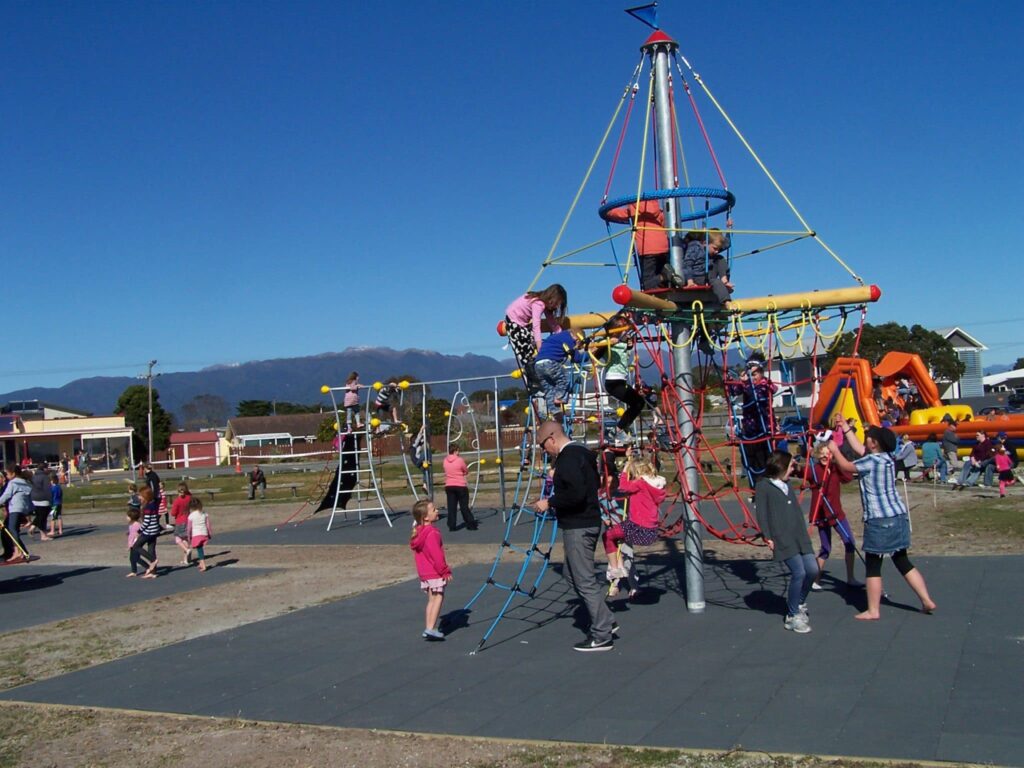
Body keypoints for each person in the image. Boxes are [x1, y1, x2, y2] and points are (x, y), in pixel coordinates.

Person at [826, 417, 936, 620]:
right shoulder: (887, 458)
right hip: (898, 515)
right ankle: (926, 599)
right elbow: (860, 450)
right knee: (902, 560)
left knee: (873, 565)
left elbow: (847, 466)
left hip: (879, 519)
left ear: (874, 443)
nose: (866, 437)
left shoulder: (870, 461)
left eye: (869, 436)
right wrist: (845, 428)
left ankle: (873, 610)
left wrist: (834, 450)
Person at [533, 421, 616, 651]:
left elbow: (576, 494)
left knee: (584, 580)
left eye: (543, 445)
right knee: (571, 574)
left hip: (579, 525)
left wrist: (548, 502)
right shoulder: (582, 453)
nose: (544, 451)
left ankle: (602, 634)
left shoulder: (568, 459)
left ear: (552, 438)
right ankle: (605, 618)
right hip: (585, 521)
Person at [755, 450, 818, 634]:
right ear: (781, 466)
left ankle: (799, 602)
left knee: (812, 569)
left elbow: (796, 511)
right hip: (782, 536)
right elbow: (762, 514)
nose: (793, 469)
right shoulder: (764, 486)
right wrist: (767, 536)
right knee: (798, 572)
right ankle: (792, 615)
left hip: (799, 534)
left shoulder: (786, 484)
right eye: (790, 466)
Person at [603, 450, 664, 599]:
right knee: (619, 540)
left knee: (608, 536)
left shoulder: (640, 483)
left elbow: (623, 486)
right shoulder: (656, 484)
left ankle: (616, 570)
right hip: (650, 532)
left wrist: (625, 469)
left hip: (636, 527)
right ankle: (619, 574)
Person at [805, 443, 862, 589]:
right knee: (826, 548)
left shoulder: (836, 469)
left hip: (836, 513)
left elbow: (848, 477)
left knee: (850, 543)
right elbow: (802, 473)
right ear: (817, 455)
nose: (825, 456)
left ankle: (851, 577)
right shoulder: (814, 469)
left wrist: (838, 459)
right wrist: (805, 455)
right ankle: (814, 579)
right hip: (821, 514)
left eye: (828, 453)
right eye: (822, 453)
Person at [504, 284, 568, 394]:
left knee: (533, 349)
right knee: (527, 353)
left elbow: (553, 324)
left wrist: (562, 337)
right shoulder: (538, 303)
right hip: (513, 322)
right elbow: (536, 326)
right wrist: (540, 348)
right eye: (557, 303)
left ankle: (537, 378)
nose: (557, 307)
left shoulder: (545, 305)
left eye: (559, 305)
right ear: (551, 298)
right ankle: (533, 382)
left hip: (522, 324)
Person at [727, 357, 779, 486]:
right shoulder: (748, 385)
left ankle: (766, 487)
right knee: (749, 461)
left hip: (763, 431)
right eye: (750, 374)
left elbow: (756, 397)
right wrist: (730, 380)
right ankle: (755, 488)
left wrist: (746, 383)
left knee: (764, 462)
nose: (752, 377)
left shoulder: (765, 385)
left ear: (761, 373)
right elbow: (734, 391)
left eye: (754, 374)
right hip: (749, 432)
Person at [409, 499, 452, 641]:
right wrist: (444, 570)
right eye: (434, 510)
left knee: (431, 599)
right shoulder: (432, 533)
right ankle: (431, 628)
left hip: (425, 572)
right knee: (438, 597)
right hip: (434, 571)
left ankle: (428, 626)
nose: (437, 510)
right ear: (425, 517)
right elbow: (437, 556)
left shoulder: (419, 532)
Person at [604, 199, 669, 290]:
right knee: (660, 275)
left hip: (647, 249)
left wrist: (605, 208)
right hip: (663, 247)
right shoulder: (659, 211)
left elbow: (616, 214)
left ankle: (664, 277)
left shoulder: (634, 209)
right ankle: (665, 279)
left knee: (647, 283)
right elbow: (666, 224)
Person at [599, 335, 645, 446]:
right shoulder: (609, 344)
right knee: (638, 402)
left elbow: (625, 358)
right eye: (626, 334)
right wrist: (609, 342)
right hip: (613, 382)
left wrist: (629, 347)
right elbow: (596, 349)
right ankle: (619, 430)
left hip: (621, 381)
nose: (629, 336)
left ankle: (621, 427)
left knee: (640, 402)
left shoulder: (624, 346)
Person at [533, 329, 585, 419]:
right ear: (577, 338)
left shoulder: (555, 337)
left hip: (537, 365)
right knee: (564, 379)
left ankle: (555, 412)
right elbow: (576, 358)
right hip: (550, 363)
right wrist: (588, 354)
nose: (578, 347)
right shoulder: (569, 339)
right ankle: (560, 397)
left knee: (549, 389)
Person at [681, 229, 733, 307]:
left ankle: (724, 280)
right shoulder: (694, 249)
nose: (717, 251)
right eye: (715, 248)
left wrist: (729, 229)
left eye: (718, 249)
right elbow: (687, 265)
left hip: (705, 275)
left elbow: (727, 244)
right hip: (696, 277)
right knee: (716, 282)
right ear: (705, 243)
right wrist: (690, 281)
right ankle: (727, 302)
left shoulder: (709, 248)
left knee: (720, 258)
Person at [0, 464, 32, 562]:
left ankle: (18, 552)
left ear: (13, 474)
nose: (6, 476)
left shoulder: (13, 483)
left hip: (16, 508)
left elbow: (6, 495)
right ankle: (20, 551)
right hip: (24, 508)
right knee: (8, 529)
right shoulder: (24, 482)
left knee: (11, 530)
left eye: (7, 474)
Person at [443, 444, 477, 531]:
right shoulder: (459, 460)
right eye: (458, 451)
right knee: (464, 506)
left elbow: (446, 471)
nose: (459, 453)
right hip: (460, 485)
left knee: (451, 507)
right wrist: (464, 473)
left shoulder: (445, 460)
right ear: (455, 451)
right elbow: (465, 470)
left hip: (449, 485)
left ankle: (452, 525)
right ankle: (470, 524)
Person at [132, 487, 161, 579]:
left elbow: (147, 522)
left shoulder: (148, 507)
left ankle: (153, 560)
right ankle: (153, 571)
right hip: (155, 530)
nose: (139, 497)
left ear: (145, 496)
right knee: (151, 549)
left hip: (149, 531)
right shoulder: (153, 503)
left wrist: (139, 531)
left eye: (140, 496)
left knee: (136, 546)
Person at [170, 482, 194, 565]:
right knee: (185, 539)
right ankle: (186, 559)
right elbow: (190, 495)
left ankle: (187, 550)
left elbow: (173, 513)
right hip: (188, 519)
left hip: (180, 521)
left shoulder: (177, 501)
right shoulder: (189, 498)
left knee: (178, 539)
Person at [187, 497, 213, 572]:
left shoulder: (191, 516)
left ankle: (203, 564)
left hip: (196, 534)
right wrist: (209, 533)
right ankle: (201, 563)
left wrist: (189, 536)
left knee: (199, 549)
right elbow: (208, 525)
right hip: (204, 533)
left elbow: (189, 528)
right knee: (200, 548)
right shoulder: (204, 514)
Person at [29, 462, 53, 540]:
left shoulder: (34, 476)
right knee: (43, 518)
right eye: (47, 468)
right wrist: (51, 500)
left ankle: (32, 527)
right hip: (43, 499)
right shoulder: (45, 477)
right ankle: (43, 535)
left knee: (39, 515)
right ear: (44, 468)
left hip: (34, 498)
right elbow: (47, 490)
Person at [125, 506, 145, 577]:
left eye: (127, 516)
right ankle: (134, 571)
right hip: (132, 544)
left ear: (132, 517)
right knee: (132, 558)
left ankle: (148, 567)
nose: (126, 518)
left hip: (136, 544)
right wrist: (129, 533)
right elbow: (132, 533)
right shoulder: (131, 524)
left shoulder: (137, 525)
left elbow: (138, 534)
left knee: (136, 558)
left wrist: (135, 543)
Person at [48, 471, 63, 538]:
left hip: (54, 504)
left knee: (53, 518)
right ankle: (60, 530)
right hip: (59, 503)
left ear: (52, 481)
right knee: (59, 517)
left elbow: (51, 496)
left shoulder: (52, 488)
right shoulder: (59, 487)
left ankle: (52, 530)